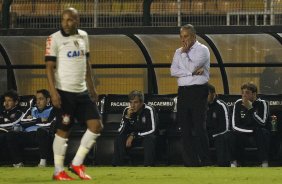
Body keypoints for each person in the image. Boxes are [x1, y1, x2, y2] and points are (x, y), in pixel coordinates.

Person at [45, 7, 103, 180]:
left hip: (82, 91)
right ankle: (58, 170)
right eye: (63, 20)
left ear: (77, 20)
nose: (66, 23)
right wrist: (53, 92)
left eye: (70, 20)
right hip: (64, 92)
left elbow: (87, 61)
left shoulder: (83, 36)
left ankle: (76, 163)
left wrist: (91, 87)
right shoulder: (54, 39)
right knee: (63, 130)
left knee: (96, 126)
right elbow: (48, 68)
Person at [170, 24, 210, 167]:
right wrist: (190, 72)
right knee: (185, 127)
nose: (183, 40)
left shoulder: (203, 50)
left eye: (186, 36)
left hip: (198, 91)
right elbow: (173, 71)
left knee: (199, 126)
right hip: (183, 92)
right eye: (181, 37)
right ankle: (190, 161)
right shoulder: (177, 51)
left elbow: (191, 67)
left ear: (193, 36)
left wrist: (184, 55)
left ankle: (205, 159)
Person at [7, 89, 56, 168]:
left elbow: (48, 124)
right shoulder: (31, 109)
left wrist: (31, 120)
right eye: (37, 99)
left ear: (48, 100)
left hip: (42, 135)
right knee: (11, 134)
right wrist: (39, 120)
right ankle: (18, 163)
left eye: (41, 99)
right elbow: (22, 122)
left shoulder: (53, 110)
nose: (38, 102)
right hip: (28, 134)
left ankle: (43, 162)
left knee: (42, 130)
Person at [112, 90, 157, 166]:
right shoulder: (127, 110)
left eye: (135, 102)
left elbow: (152, 130)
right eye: (131, 102)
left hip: (144, 137)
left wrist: (134, 135)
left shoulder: (149, 110)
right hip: (131, 139)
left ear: (142, 102)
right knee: (119, 138)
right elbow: (120, 131)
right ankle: (118, 165)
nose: (132, 105)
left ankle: (148, 165)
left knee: (149, 139)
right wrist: (127, 117)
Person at [230, 82, 270, 167]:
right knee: (233, 134)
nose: (244, 95)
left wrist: (250, 109)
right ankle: (235, 162)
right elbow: (234, 125)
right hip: (244, 132)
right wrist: (251, 130)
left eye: (247, 93)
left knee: (261, 131)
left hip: (258, 133)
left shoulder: (262, 103)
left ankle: (264, 163)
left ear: (254, 94)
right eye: (242, 93)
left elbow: (262, 123)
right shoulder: (238, 103)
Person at [206, 84, 230, 166]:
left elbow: (225, 127)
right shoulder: (201, 106)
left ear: (213, 94)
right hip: (206, 134)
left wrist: (213, 135)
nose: (205, 97)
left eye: (207, 94)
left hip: (219, 133)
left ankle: (222, 164)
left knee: (221, 138)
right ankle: (202, 163)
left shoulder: (221, 105)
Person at [0, 90, 23, 165]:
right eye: (5, 100)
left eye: (9, 101)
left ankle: (17, 163)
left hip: (13, 135)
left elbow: (13, 124)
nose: (6, 103)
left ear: (16, 102)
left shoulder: (19, 113)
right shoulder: (2, 112)